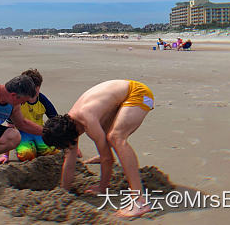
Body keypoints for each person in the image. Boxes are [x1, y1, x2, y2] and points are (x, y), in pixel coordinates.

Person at [42, 79, 154, 218]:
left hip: (139, 93)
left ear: (69, 137)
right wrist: (64, 192)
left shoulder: (87, 119)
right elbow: (69, 162)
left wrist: (102, 187)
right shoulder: (69, 123)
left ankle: (139, 200)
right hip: (121, 100)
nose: (70, 147)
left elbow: (108, 159)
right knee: (108, 136)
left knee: (116, 137)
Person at [0, 69, 59, 165]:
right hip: (22, 134)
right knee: (27, 155)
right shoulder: (17, 101)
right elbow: (10, 126)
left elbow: (56, 121)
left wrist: (70, 145)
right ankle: (25, 148)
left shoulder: (43, 100)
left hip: (39, 131)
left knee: (52, 151)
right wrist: (5, 155)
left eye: (34, 91)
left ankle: (38, 147)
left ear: (39, 87)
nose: (31, 95)